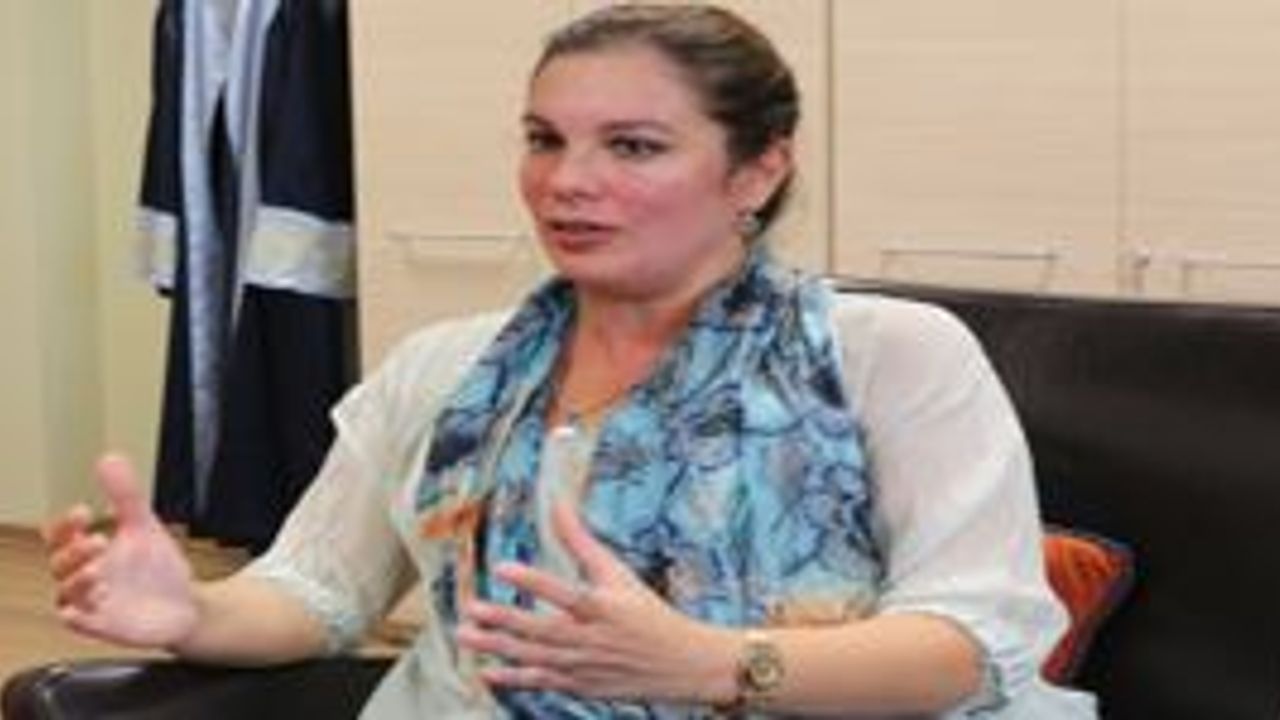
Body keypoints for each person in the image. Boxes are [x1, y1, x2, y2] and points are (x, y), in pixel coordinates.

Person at [44, 4, 1097, 717]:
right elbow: (319, 590)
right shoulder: (444, 369)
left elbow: (971, 643)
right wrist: (193, 612)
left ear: (757, 171)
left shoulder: (890, 355)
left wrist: (709, 665)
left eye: (632, 146)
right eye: (544, 139)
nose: (566, 182)